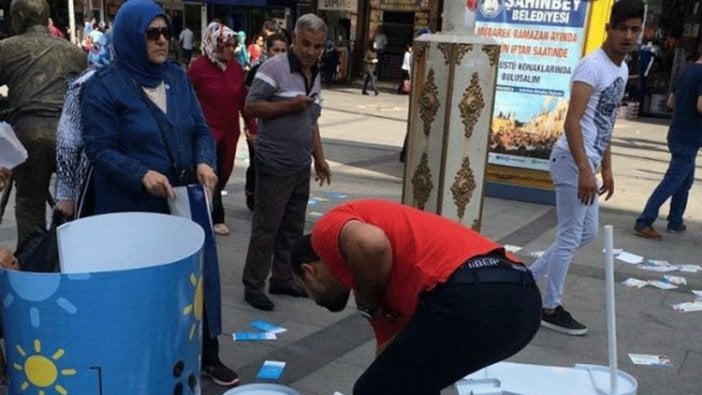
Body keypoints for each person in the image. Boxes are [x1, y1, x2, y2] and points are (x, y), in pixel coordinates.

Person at [80, 0, 238, 387]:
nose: (163, 40)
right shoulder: (103, 86)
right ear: (132, 36)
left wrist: (205, 162)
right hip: (133, 207)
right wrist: (140, 174)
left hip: (185, 198)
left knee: (198, 277)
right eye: (153, 34)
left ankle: (208, 353)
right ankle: (147, 358)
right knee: (147, 287)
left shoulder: (177, 77)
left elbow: (201, 129)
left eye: (166, 31)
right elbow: (98, 149)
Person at [290, 199, 541, 394]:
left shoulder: (326, 233)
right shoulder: (375, 283)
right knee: (410, 385)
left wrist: (368, 302)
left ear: (309, 272)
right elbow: (389, 357)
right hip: (523, 303)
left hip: (472, 294)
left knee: (373, 390)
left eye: (307, 289)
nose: (314, 298)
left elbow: (371, 243)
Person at [529, 0, 644, 336]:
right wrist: (584, 169)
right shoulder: (591, 67)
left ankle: (529, 278)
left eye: (634, 29)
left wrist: (606, 168)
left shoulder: (620, 70)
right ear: (608, 28)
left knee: (586, 233)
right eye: (622, 28)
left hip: (588, 163)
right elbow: (573, 123)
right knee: (569, 236)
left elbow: (604, 122)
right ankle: (549, 307)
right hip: (570, 161)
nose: (627, 35)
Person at [242, 13, 331, 311]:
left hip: (298, 165)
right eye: (306, 44)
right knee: (266, 228)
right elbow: (251, 105)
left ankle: (282, 278)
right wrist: (289, 105)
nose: (311, 51)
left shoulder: (314, 72)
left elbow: (312, 120)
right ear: (294, 38)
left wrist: (319, 158)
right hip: (273, 163)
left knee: (292, 229)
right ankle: (253, 285)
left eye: (318, 46)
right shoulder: (274, 67)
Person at [0, 0, 87, 248]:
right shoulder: (74, 52)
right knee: (74, 201)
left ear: (18, 17)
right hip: (69, 134)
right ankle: (75, 252)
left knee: (29, 203)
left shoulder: (6, 48)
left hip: (29, 134)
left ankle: (32, 259)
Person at [188, 22, 256, 236]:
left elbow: (243, 99)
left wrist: (251, 125)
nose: (230, 49)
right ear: (214, 43)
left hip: (230, 130)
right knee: (212, 171)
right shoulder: (198, 68)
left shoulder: (235, 68)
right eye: (226, 44)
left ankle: (209, 204)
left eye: (233, 45)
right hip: (206, 130)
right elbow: (185, 98)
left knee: (224, 171)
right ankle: (217, 216)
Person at [634, 44, 702, 239]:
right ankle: (644, 221)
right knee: (672, 181)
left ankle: (676, 220)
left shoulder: (686, 70)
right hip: (689, 137)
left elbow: (671, 102)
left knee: (684, 181)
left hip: (677, 133)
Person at [55, 31, 114, 219]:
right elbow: (67, 141)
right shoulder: (87, 85)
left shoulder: (155, 78)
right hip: (95, 184)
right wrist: (66, 195)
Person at [244, 33, 289, 211]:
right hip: (257, 128)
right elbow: (247, 102)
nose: (279, 54)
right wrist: (250, 127)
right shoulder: (258, 71)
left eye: (283, 51)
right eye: (275, 50)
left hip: (279, 131)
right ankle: (253, 195)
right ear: (267, 51)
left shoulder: (291, 73)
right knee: (257, 164)